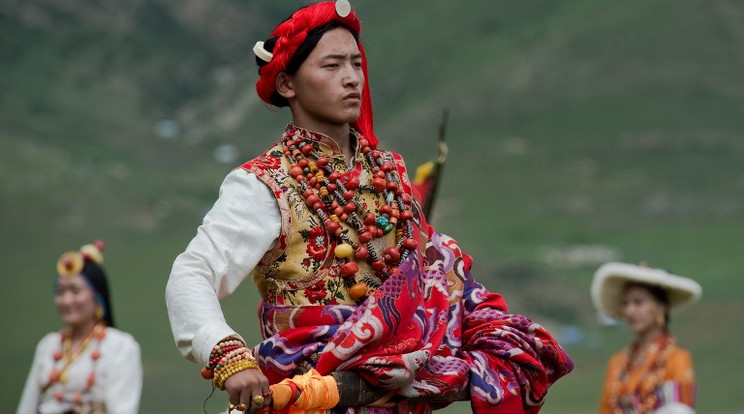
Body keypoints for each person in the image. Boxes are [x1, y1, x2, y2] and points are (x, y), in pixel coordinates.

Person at [165, 1, 573, 413]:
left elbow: (438, 284)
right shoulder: (265, 184)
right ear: (287, 84)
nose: (351, 79)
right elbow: (193, 272)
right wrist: (227, 354)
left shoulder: (390, 175)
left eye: (356, 65)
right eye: (331, 66)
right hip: (303, 400)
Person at [17, 240, 143, 414]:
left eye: (75, 291)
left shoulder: (120, 346)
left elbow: (123, 410)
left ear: (97, 298)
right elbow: (27, 408)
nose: (66, 300)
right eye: (60, 292)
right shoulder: (48, 346)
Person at [591, 262, 701, 414]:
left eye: (638, 302)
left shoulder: (676, 359)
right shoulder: (617, 363)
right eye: (625, 303)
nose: (630, 311)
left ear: (661, 307)